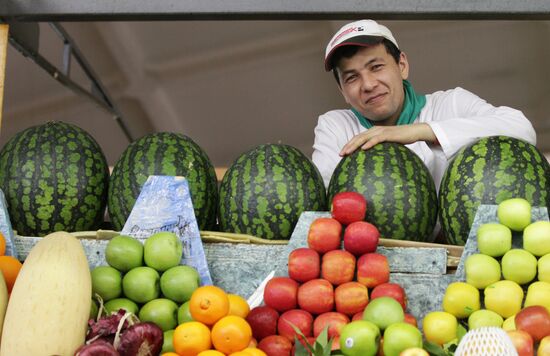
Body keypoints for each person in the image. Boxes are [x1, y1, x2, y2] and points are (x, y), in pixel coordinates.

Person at [312, 19, 537, 189]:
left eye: (376, 67)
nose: (368, 84)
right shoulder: (336, 126)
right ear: (342, 91)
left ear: (402, 65)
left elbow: (522, 129)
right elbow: (325, 195)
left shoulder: (452, 104)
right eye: (352, 78)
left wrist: (420, 131)